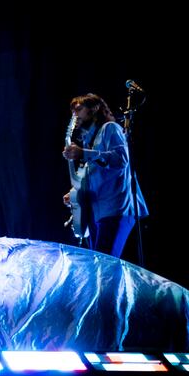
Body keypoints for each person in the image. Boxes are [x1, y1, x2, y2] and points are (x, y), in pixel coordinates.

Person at [62, 93, 148, 258]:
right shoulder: (90, 140)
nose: (75, 114)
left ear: (94, 109)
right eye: (73, 111)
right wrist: (76, 192)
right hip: (98, 212)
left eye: (78, 109)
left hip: (116, 208)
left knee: (106, 266)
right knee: (99, 267)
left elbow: (121, 160)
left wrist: (84, 153)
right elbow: (96, 174)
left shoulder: (110, 128)